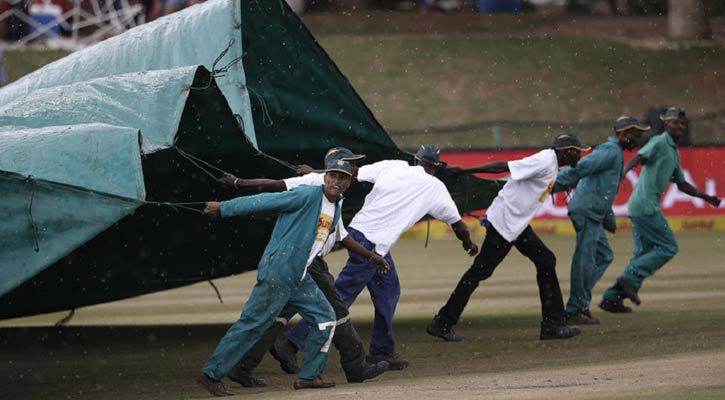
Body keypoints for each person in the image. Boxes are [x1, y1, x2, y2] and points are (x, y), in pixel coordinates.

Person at [275, 144, 479, 371]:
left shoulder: (392, 166)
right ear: (436, 166)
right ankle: (291, 342)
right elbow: (458, 224)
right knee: (340, 298)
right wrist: (468, 243)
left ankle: (382, 351)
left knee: (388, 291)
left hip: (362, 236)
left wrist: (315, 172)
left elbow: (350, 172)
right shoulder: (436, 187)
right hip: (371, 244)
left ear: (416, 159)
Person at [196, 157, 389, 396]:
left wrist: (371, 256)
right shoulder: (307, 195)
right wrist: (223, 208)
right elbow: (265, 200)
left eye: (342, 178)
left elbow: (342, 235)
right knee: (253, 323)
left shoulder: (336, 204)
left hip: (300, 274)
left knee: (325, 318)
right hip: (280, 269)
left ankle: (309, 376)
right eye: (333, 176)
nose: (336, 181)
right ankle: (211, 374)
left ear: (349, 183)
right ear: (325, 177)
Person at [428, 133, 588, 342]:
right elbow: (503, 166)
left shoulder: (552, 164)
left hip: (516, 224)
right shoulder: (544, 160)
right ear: (568, 152)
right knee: (479, 272)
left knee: (545, 260)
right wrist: (466, 170)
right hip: (504, 223)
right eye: (579, 152)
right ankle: (443, 322)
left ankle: (552, 325)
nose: (580, 156)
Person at [599, 107, 721, 313]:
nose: (679, 126)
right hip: (645, 206)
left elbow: (682, 185)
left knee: (642, 254)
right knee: (668, 247)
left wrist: (706, 197)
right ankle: (629, 279)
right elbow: (638, 158)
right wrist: (622, 173)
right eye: (675, 122)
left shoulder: (672, 150)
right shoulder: (659, 142)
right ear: (665, 124)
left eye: (682, 123)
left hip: (641, 205)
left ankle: (611, 298)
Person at [553, 117, 648, 325]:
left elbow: (602, 187)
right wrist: (551, 184)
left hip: (593, 212)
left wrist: (608, 218)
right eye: (636, 136)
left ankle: (580, 301)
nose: (638, 141)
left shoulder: (614, 152)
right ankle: (575, 308)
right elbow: (582, 168)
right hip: (586, 211)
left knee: (604, 256)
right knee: (584, 261)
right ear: (624, 134)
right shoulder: (610, 151)